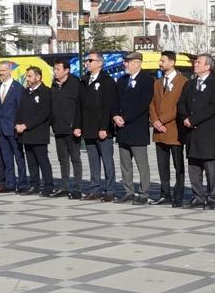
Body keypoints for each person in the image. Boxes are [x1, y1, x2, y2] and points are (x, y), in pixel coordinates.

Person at [178, 53, 215, 209]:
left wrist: (194, 120)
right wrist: (185, 117)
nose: (195, 65)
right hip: (190, 133)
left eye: (198, 62)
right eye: (195, 62)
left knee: (209, 167)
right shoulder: (189, 84)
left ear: (208, 66)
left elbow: (213, 107)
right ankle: (197, 196)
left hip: (206, 132)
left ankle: (212, 197)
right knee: (193, 167)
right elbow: (182, 103)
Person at [114, 52, 155, 205]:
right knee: (125, 163)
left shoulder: (147, 80)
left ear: (137, 63)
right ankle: (128, 191)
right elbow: (115, 100)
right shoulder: (122, 80)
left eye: (128, 62)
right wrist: (115, 116)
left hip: (137, 128)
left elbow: (143, 104)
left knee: (141, 164)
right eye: (125, 62)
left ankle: (144, 193)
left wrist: (126, 118)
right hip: (122, 129)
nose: (125, 64)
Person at [150, 51, 188, 206]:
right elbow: (152, 104)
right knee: (162, 165)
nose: (160, 63)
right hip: (159, 131)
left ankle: (178, 195)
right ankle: (164, 194)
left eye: (163, 60)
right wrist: (155, 121)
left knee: (178, 165)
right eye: (160, 60)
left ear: (172, 63)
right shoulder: (158, 82)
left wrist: (162, 120)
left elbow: (179, 106)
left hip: (174, 130)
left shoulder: (183, 81)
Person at [80, 51, 118, 201]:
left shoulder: (107, 81)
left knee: (107, 161)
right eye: (86, 60)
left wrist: (105, 127)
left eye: (90, 60)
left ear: (100, 63)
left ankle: (110, 190)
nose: (87, 63)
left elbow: (108, 106)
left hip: (103, 129)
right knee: (93, 161)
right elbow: (80, 106)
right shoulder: (84, 80)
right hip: (88, 128)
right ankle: (95, 189)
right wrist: (79, 126)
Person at [0, 61, 27, 193]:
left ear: (10, 71)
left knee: (19, 157)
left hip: (13, 128)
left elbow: (20, 109)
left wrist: (18, 124)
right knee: (6, 158)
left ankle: (22, 183)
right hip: (1, 129)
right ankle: (10, 183)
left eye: (3, 70)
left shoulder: (18, 88)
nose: (1, 73)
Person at [17, 67, 54, 196]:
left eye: (30, 76)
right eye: (26, 76)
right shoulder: (26, 92)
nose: (27, 79)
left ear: (38, 77)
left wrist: (27, 125)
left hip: (38, 133)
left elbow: (43, 113)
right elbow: (20, 110)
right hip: (25, 134)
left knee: (42, 160)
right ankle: (34, 185)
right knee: (31, 161)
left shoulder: (46, 92)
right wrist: (18, 124)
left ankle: (48, 186)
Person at [50, 59, 84, 198]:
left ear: (66, 70)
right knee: (62, 159)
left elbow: (80, 107)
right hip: (58, 128)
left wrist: (78, 126)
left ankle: (77, 188)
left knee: (75, 158)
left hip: (72, 128)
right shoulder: (53, 85)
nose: (55, 71)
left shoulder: (75, 84)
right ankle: (64, 187)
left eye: (58, 69)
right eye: (54, 69)